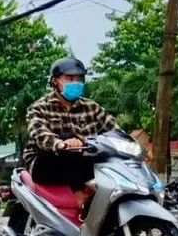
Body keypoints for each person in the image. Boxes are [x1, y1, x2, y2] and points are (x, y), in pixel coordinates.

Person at [23, 57, 117, 215]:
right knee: (68, 145)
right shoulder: (38, 108)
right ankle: (80, 198)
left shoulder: (92, 107)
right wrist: (60, 143)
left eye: (79, 79)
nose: (76, 83)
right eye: (70, 78)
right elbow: (39, 132)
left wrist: (137, 147)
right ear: (55, 81)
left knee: (110, 159)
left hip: (81, 161)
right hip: (45, 163)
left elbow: (114, 130)